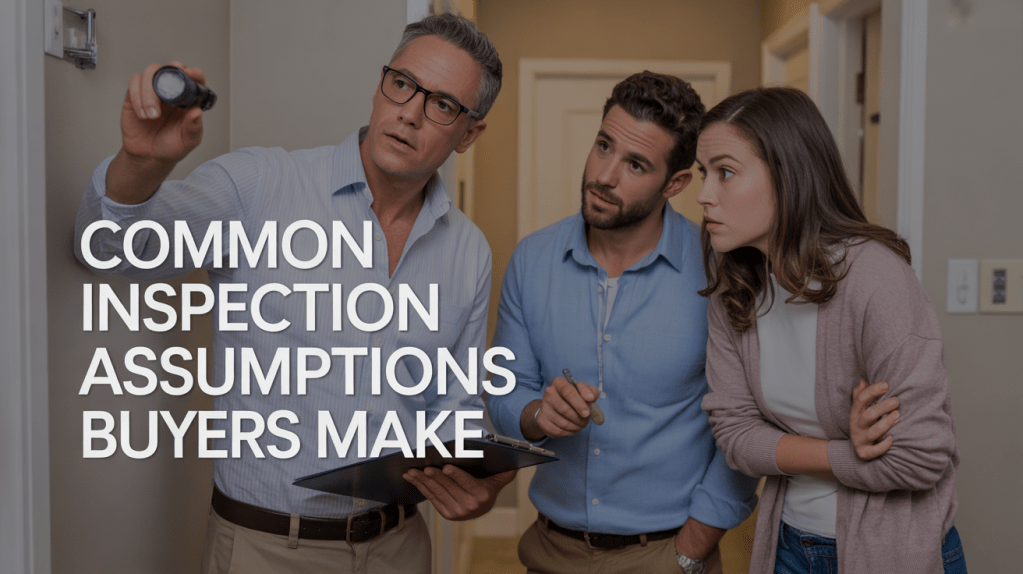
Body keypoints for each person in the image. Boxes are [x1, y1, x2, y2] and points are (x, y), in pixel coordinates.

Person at [74, 14, 514, 574]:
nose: (409, 112)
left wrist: (477, 481)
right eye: (401, 84)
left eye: (443, 105)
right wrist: (141, 164)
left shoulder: (468, 252)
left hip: (400, 548)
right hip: (266, 550)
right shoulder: (263, 187)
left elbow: (452, 405)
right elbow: (106, 250)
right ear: (381, 86)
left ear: (468, 134)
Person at [488, 71, 759, 574]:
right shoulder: (532, 259)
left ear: (675, 183)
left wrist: (689, 551)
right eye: (603, 146)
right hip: (550, 551)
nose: (605, 175)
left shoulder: (721, 273)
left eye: (635, 164)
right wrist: (535, 415)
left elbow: (745, 426)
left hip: (668, 553)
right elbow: (505, 392)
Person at [696, 87, 966, 574]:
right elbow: (735, 436)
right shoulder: (734, 287)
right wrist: (843, 450)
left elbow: (920, 457)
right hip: (788, 544)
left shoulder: (876, 282)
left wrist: (785, 447)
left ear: (787, 174)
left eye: (725, 172)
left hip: (891, 553)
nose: (704, 194)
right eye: (703, 173)